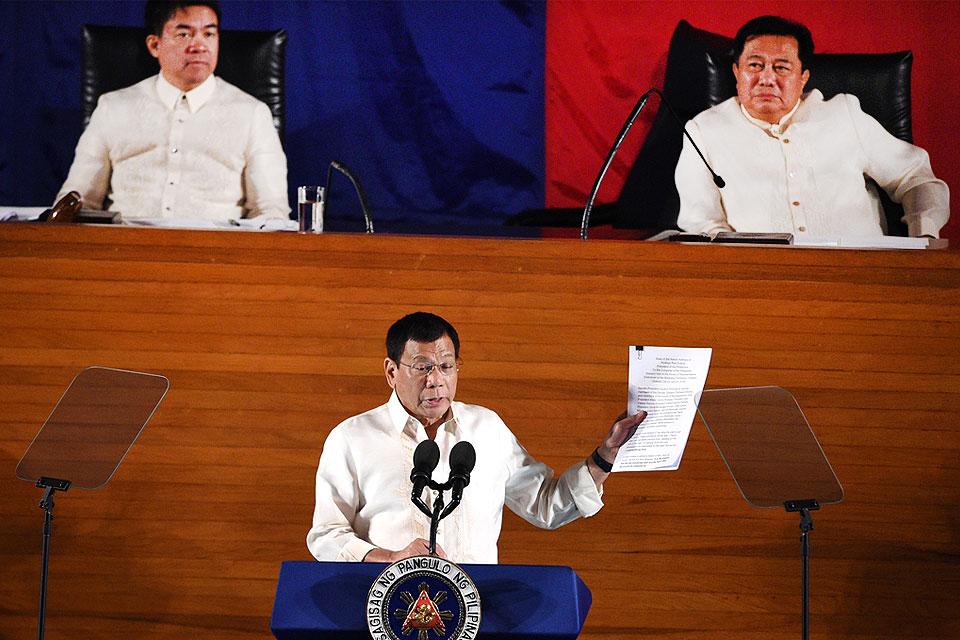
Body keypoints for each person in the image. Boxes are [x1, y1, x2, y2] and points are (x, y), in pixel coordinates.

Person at [306, 312, 647, 564]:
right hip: (386, 612)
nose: (436, 380)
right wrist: (388, 557)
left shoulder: (487, 429)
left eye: (447, 366)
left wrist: (605, 455)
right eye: (422, 367)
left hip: (476, 612)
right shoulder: (351, 438)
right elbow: (326, 535)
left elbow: (545, 504)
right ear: (392, 371)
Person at [675, 15, 949, 239]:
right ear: (737, 73)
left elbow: (917, 177)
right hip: (762, 284)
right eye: (755, 65)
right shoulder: (704, 132)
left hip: (864, 275)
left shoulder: (844, 115)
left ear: (803, 77)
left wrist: (923, 236)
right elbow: (702, 224)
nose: (766, 78)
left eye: (781, 68)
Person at [56, 1, 289, 224]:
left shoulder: (252, 114)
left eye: (209, 34)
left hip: (215, 255)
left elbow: (270, 210)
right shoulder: (113, 108)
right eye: (184, 34)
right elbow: (78, 200)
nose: (199, 46)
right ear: (154, 45)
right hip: (125, 251)